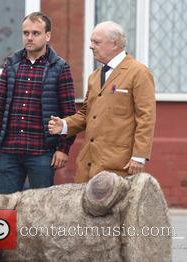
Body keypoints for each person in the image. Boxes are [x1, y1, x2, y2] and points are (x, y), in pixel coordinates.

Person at [48, 21, 156, 183]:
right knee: (86, 209)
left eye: (96, 42)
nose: (91, 46)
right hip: (88, 164)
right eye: (91, 41)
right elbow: (87, 114)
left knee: (115, 209)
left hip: (119, 164)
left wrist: (139, 156)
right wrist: (64, 125)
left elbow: (146, 118)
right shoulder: (95, 76)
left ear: (115, 44)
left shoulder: (138, 72)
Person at [0, 12, 76, 194]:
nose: (29, 37)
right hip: (9, 151)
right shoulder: (11, 64)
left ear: (48, 36)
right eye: (26, 33)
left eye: (35, 33)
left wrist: (63, 148)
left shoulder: (60, 67)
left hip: (42, 153)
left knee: (42, 211)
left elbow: (69, 113)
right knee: (5, 210)